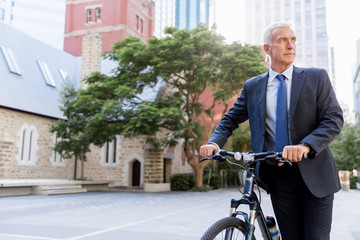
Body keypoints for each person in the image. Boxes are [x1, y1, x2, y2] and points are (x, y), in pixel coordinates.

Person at [200, 22, 343, 240]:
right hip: (278, 177)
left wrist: (305, 146)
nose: (290, 45)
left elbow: (333, 119)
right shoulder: (253, 86)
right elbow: (229, 119)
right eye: (282, 40)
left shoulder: (317, 77)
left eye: (293, 39)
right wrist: (213, 143)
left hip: (316, 175)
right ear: (267, 49)